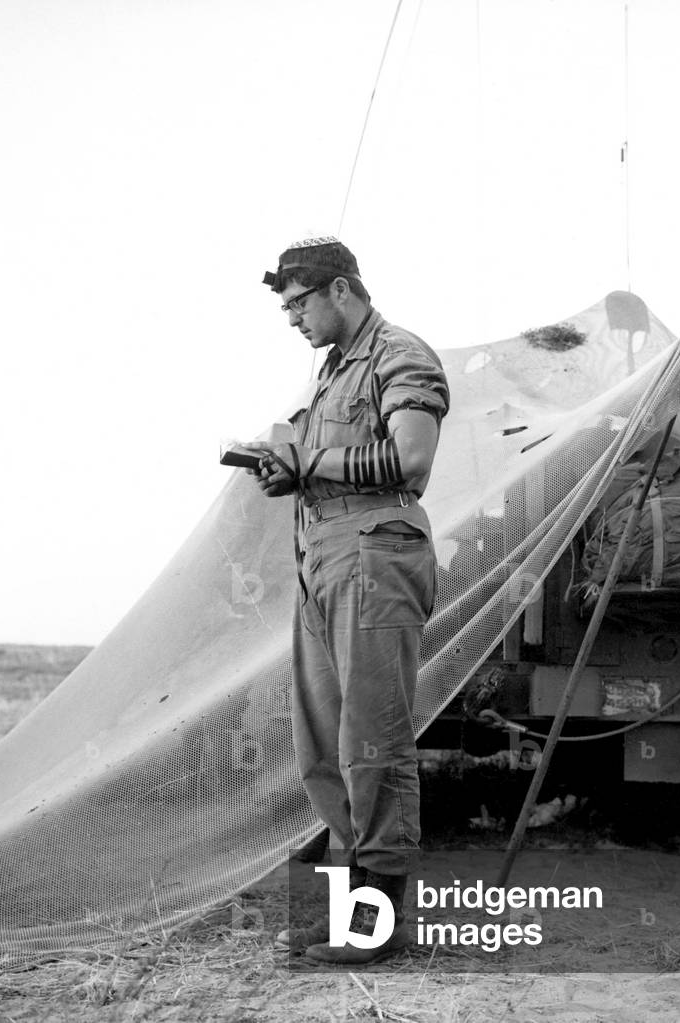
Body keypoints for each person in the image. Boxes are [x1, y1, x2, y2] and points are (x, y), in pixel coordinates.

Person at [241, 236, 449, 964]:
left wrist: (311, 460)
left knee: (372, 741)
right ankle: (346, 918)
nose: (292, 318)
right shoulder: (332, 371)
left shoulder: (399, 353)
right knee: (324, 749)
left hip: (374, 555)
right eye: (286, 307)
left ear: (340, 290)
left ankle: (377, 927)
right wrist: (288, 474)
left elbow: (411, 460)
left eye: (300, 302)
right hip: (323, 558)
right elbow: (325, 465)